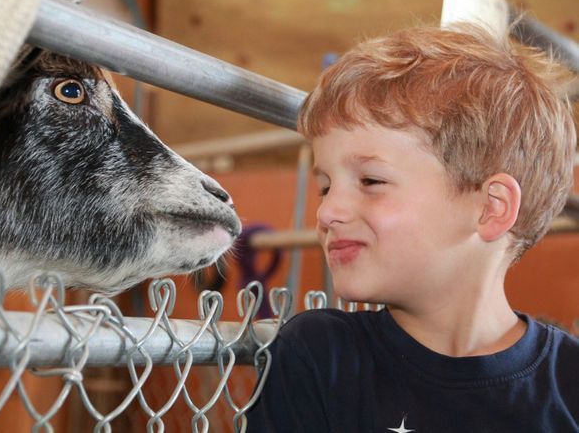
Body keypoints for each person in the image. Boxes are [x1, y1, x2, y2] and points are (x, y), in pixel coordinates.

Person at [245, 23, 578, 432]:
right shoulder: (319, 356)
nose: (327, 213)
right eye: (325, 187)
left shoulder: (570, 383)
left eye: (371, 182)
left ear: (491, 207)